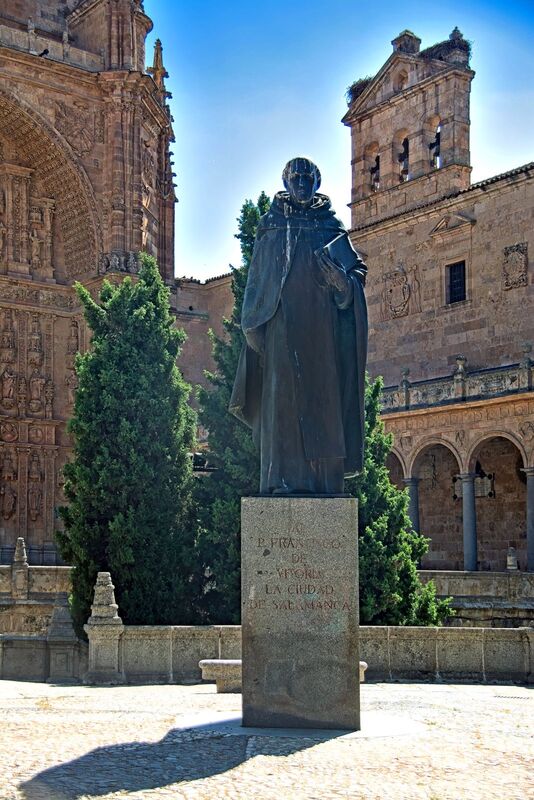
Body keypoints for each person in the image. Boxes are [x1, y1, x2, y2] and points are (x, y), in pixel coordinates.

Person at [230, 157, 367, 495]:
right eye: (296, 178)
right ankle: (282, 482)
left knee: (324, 405)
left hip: (323, 333)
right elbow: (257, 280)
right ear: (286, 182)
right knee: (282, 406)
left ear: (317, 182)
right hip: (280, 329)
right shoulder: (272, 225)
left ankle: (324, 482)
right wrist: (253, 325)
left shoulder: (331, 227)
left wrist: (343, 284)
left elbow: (357, 274)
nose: (302, 184)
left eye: (309, 178)